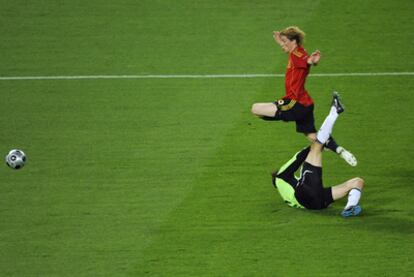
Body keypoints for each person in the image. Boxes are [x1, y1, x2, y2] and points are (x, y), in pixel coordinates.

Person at [251, 26, 357, 167]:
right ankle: (340, 150)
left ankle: (287, 116)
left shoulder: (298, 55)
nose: (283, 44)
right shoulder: (296, 51)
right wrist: (280, 41)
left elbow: (308, 60)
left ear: (293, 41)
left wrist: (313, 60)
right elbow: (300, 55)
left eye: (284, 41)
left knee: (256, 109)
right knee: (314, 138)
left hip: (295, 103)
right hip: (305, 104)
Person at [271, 92, 364, 217]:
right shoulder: (280, 176)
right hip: (306, 195)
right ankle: (334, 110)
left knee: (358, 182)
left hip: (316, 202)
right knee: (316, 145)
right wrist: (312, 147)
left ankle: (350, 207)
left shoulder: (288, 193)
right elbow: (297, 159)